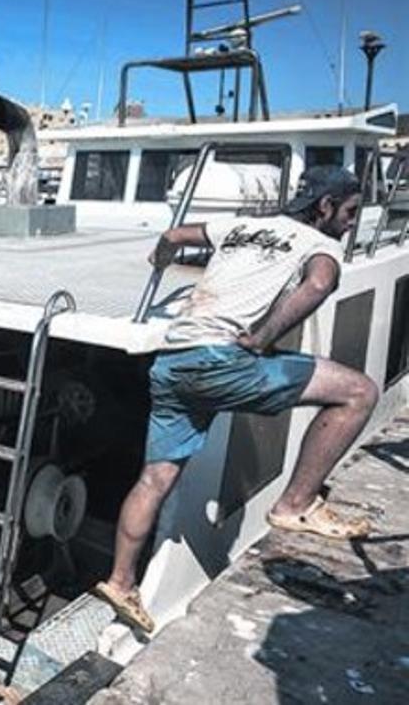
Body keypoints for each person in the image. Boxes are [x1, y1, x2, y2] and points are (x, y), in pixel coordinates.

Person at [95, 165, 378, 634]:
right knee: (359, 392)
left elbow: (173, 234)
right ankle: (296, 503)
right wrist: (265, 334)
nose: (351, 223)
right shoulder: (320, 244)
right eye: (349, 211)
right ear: (325, 207)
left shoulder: (243, 226)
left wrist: (159, 258)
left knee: (154, 480)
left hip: (172, 364)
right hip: (223, 361)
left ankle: (120, 583)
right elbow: (319, 285)